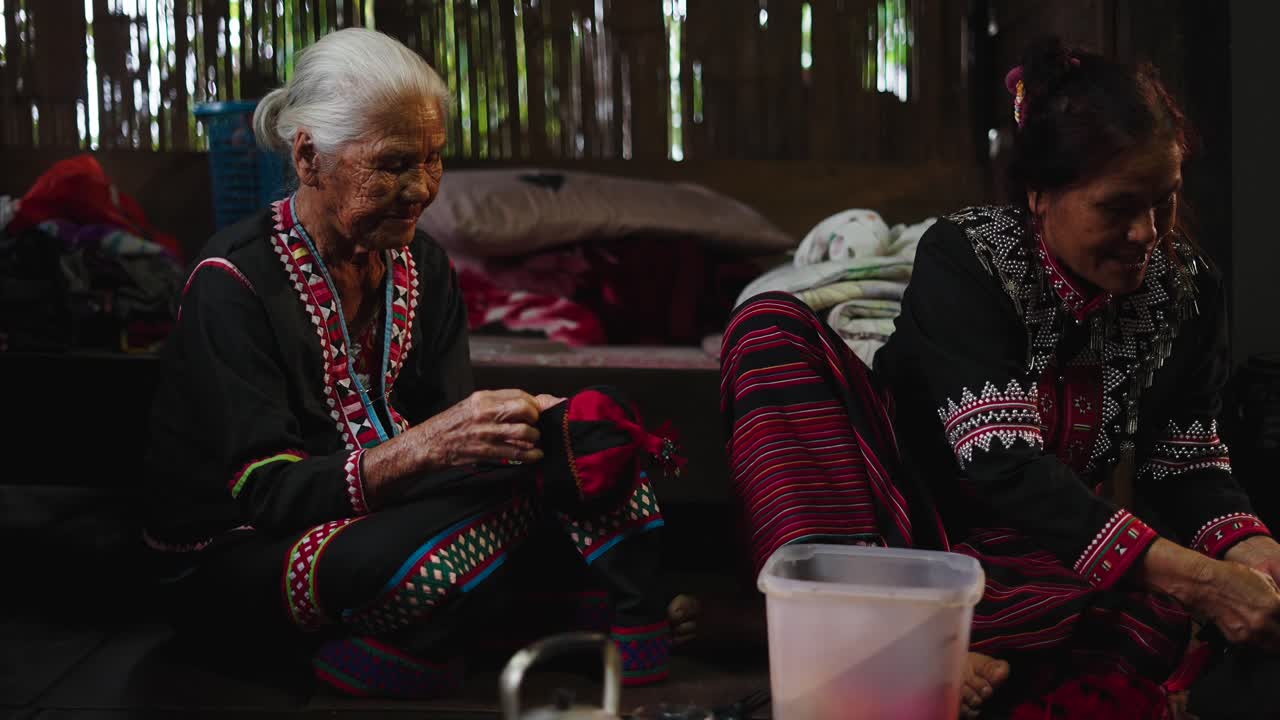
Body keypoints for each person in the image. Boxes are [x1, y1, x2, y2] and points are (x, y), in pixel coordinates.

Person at [720, 37, 1280, 718]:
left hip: (1025, 555)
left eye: (1165, 201)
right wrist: (1198, 579)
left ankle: (915, 647)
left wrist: (1249, 548)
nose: (1147, 233)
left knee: (1143, 622)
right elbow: (1003, 466)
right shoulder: (969, 258)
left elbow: (1184, 463)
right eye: (1118, 208)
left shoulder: (1187, 291)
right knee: (768, 325)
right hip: (901, 524)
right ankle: (864, 625)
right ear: (1040, 196)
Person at [142, 28, 687, 698]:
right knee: (423, 562)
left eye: (433, 159)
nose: (422, 189)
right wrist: (428, 446)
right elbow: (266, 494)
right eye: (394, 164)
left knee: (594, 434)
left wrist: (530, 431)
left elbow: (459, 457)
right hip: (242, 552)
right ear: (309, 158)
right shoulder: (233, 283)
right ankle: (554, 610)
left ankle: (583, 620)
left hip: (403, 520)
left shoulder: (423, 265)